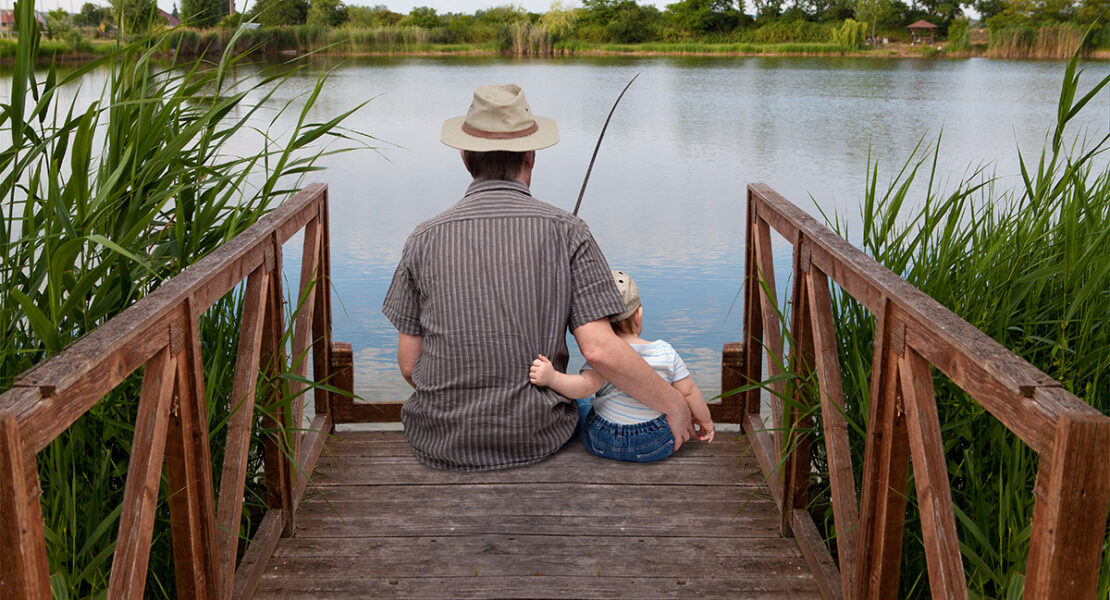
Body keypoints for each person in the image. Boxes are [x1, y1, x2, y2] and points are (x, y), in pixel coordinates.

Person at [382, 84, 694, 471]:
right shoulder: (569, 230)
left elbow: (411, 367)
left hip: (438, 440)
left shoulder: (422, 238)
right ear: (531, 155)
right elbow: (598, 351)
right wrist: (675, 404)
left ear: (464, 157)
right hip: (537, 437)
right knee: (589, 395)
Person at [529, 270, 714, 462]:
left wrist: (552, 377)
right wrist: (705, 420)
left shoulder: (605, 356)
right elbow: (690, 392)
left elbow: (583, 388)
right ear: (638, 315)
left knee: (582, 404)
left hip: (602, 442)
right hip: (654, 445)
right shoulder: (664, 351)